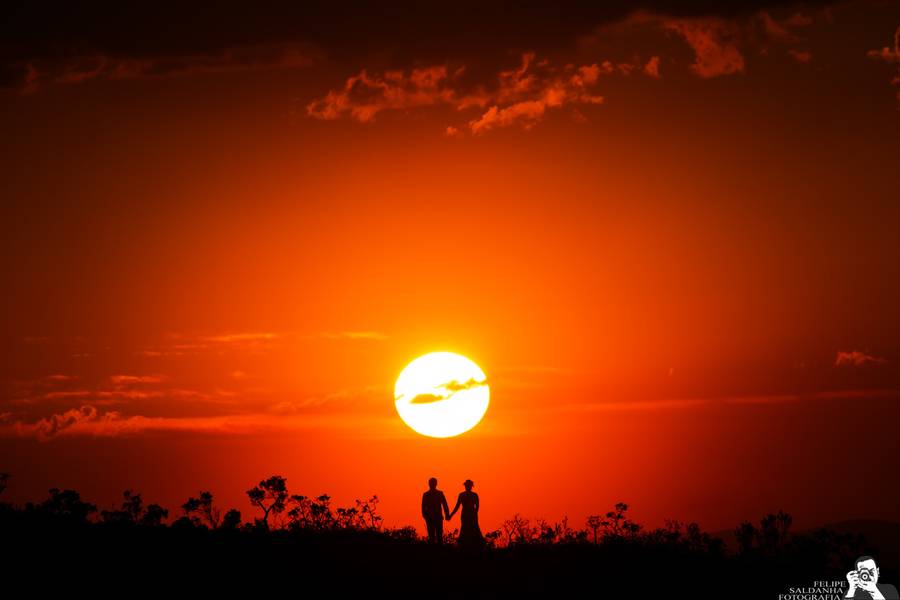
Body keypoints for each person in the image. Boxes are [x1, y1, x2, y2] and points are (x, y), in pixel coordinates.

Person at [447, 479, 484, 549]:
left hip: (470, 514)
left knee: (473, 529)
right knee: (466, 528)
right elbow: (457, 506)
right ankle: (466, 546)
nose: (467, 487)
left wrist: (450, 515)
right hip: (467, 514)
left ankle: (474, 546)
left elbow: (477, 507)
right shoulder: (464, 495)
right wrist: (451, 515)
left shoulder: (472, 495)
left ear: (470, 486)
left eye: (468, 485)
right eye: (466, 485)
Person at [421, 477, 450, 545]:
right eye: (431, 483)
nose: (432, 484)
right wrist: (425, 516)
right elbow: (423, 507)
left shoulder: (439, 493)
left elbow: (445, 504)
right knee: (433, 536)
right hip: (431, 518)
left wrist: (447, 514)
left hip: (437, 517)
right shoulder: (426, 494)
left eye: (433, 483)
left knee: (438, 536)